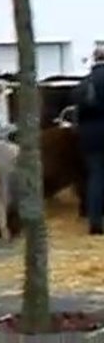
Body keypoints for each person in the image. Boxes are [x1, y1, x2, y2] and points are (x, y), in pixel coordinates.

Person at [75, 46, 104, 235]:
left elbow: (77, 112)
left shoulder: (83, 84)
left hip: (88, 137)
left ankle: (94, 222)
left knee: (95, 177)